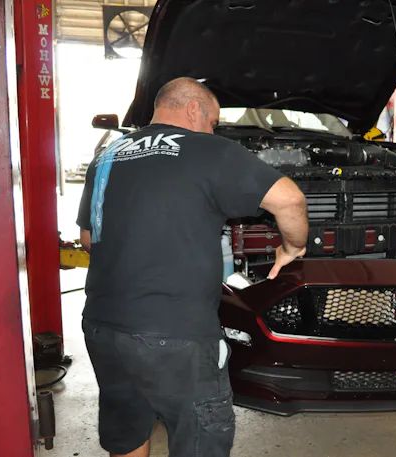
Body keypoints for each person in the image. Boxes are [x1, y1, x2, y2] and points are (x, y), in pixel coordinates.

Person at [76, 77, 309, 457]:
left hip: (103, 327)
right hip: (176, 334)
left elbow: (89, 238)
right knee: (201, 440)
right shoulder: (208, 149)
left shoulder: (108, 155)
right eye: (213, 122)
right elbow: (290, 200)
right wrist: (293, 247)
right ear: (193, 109)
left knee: (127, 430)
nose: (212, 130)